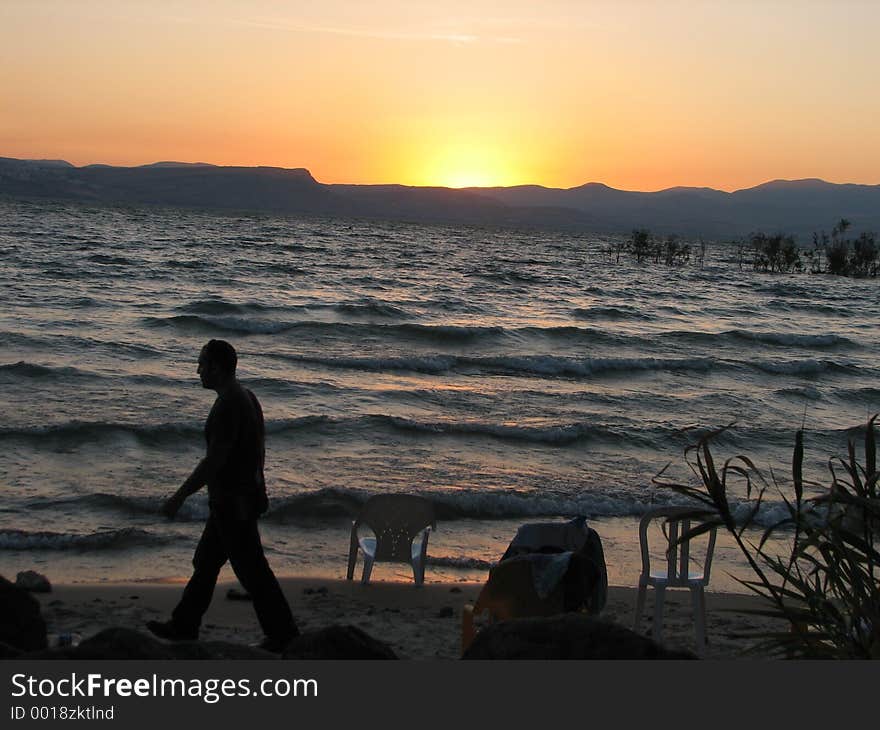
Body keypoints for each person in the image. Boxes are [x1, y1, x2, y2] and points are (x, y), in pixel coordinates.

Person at [147, 339, 298, 652]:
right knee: (206, 563)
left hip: (234, 503)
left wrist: (179, 496)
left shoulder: (230, 404)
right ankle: (184, 624)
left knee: (253, 572)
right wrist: (259, 488)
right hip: (238, 499)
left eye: (202, 364)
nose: (198, 370)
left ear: (217, 368)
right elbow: (258, 452)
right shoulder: (247, 397)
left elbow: (214, 461)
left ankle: (283, 634)